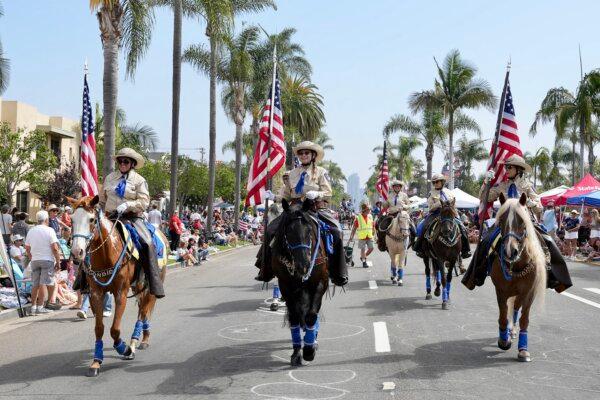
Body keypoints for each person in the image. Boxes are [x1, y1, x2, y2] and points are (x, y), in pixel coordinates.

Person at [462, 154, 571, 292]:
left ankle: (554, 276)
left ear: (518, 169)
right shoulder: (502, 186)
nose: (506, 169)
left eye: (509, 167)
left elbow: (539, 206)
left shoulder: (527, 186)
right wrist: (486, 182)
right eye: (506, 166)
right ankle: (476, 275)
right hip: (505, 222)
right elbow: (484, 198)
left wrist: (531, 202)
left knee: (547, 240)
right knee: (486, 241)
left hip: (525, 221)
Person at [255, 141, 348, 286]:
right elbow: (287, 196)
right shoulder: (291, 174)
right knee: (270, 230)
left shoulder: (321, 172)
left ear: (313, 155)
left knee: (337, 230)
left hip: (315, 208)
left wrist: (317, 193)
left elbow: (328, 193)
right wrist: (274, 197)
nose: (303, 155)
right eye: (301, 153)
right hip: (295, 209)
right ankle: (265, 269)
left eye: (307, 153)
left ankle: (338, 273)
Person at [99, 147, 165, 298]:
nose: (122, 163)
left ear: (132, 164)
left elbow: (144, 201)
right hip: (110, 217)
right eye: (120, 161)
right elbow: (102, 199)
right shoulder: (109, 178)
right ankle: (83, 282)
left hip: (131, 218)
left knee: (147, 242)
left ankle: (153, 282)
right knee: (90, 241)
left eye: (126, 161)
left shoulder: (139, 180)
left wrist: (128, 205)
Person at [412, 173, 471, 259]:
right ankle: (419, 248)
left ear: (442, 182)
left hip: (449, 214)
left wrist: (457, 216)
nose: (436, 183)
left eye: (437, 182)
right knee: (423, 226)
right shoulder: (431, 193)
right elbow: (431, 207)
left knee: (463, 228)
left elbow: (453, 205)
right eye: (434, 182)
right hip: (436, 213)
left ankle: (466, 250)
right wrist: (440, 203)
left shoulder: (449, 192)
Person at [25, 210, 62, 315]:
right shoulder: (49, 230)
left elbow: (27, 247)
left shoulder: (31, 230)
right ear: (46, 219)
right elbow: (55, 248)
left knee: (35, 284)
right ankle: (41, 306)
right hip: (47, 260)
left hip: (35, 260)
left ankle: (33, 307)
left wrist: (31, 256)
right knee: (44, 284)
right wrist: (58, 261)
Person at [348, 203, 376, 268]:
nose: (369, 211)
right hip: (362, 236)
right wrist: (351, 237)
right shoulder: (358, 218)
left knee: (371, 248)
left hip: (369, 235)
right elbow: (354, 228)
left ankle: (363, 256)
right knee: (363, 249)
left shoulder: (370, 216)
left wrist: (374, 233)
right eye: (368, 209)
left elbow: (373, 225)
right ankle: (364, 262)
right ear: (364, 210)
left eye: (369, 209)